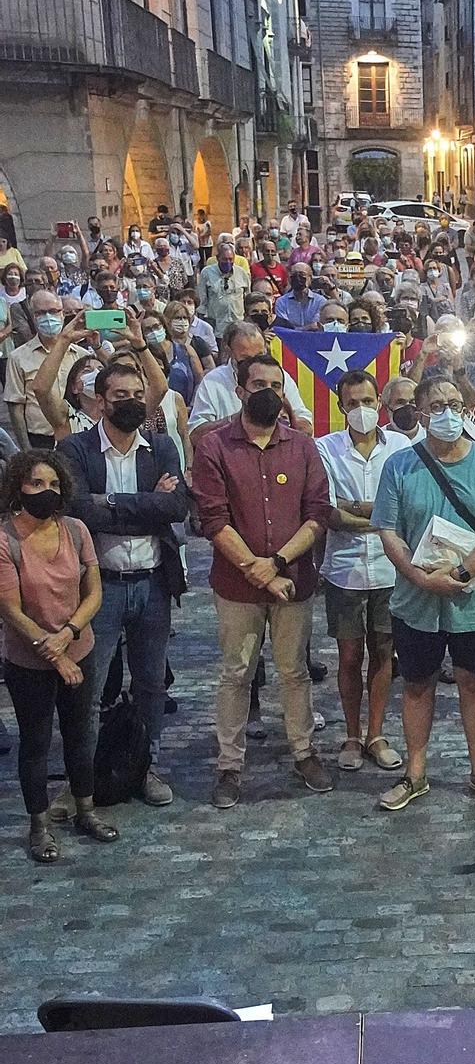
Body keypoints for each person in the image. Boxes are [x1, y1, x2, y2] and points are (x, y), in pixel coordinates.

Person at [191, 351, 334, 807]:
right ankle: (230, 766)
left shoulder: (303, 447)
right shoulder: (214, 447)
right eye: (258, 385)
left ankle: (304, 752)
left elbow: (317, 513)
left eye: (276, 386)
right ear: (239, 390)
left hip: (292, 580)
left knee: (295, 673)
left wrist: (275, 563)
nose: (268, 394)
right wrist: (257, 568)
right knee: (237, 673)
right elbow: (213, 520)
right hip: (236, 587)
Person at [371, 374, 475, 810]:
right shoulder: (400, 465)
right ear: (419, 412)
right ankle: (414, 773)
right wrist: (419, 578)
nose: (448, 413)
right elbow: (389, 530)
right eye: (437, 406)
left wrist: (461, 571)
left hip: (474, 597)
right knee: (417, 685)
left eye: (454, 404)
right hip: (417, 600)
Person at [58, 354, 189, 806]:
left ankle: (143, 766)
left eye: (137, 395)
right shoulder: (74, 449)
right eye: (120, 396)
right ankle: (86, 783)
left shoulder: (162, 447)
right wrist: (144, 503)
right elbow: (78, 510)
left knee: (151, 684)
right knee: (91, 691)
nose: (130, 402)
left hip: (153, 583)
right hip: (101, 587)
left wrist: (112, 504)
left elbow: (176, 509)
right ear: (100, 401)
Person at [0, 450, 119, 860]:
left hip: (76, 646)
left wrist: (69, 634)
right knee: (35, 742)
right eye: (36, 484)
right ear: (18, 487)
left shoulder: (76, 530)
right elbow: (11, 610)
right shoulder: (5, 540)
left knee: (79, 735)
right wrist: (55, 654)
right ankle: (39, 826)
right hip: (28, 660)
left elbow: (94, 592)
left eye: (52, 484)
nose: (45, 492)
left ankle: (86, 810)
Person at [317, 368, 410, 774]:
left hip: (393, 569)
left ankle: (376, 733)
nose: (361, 409)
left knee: (384, 653)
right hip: (345, 570)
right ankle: (352, 735)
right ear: (341, 407)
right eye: (352, 403)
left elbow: (407, 507)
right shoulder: (325, 449)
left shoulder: (402, 446)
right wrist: (380, 513)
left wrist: (357, 506)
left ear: (380, 403)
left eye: (368, 402)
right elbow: (329, 512)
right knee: (350, 655)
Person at [188, 319, 313, 445]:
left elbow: (307, 428)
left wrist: (285, 418)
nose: (255, 367)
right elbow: (195, 435)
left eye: (260, 357)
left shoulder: (279, 378)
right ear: (229, 352)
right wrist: (238, 420)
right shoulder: (213, 382)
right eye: (245, 360)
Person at [4, 293, 93, 451]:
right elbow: (16, 407)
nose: (47, 317)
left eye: (53, 311)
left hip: (77, 436)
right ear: (33, 316)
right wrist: (26, 449)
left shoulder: (82, 355)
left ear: (62, 313)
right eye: (40, 313)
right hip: (40, 440)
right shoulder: (18, 357)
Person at [196, 233, 250, 336]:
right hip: (216, 327)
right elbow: (202, 301)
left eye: (231, 259)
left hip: (237, 326)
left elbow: (247, 297)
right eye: (225, 259)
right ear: (218, 258)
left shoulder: (242, 273)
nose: (228, 262)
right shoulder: (206, 273)